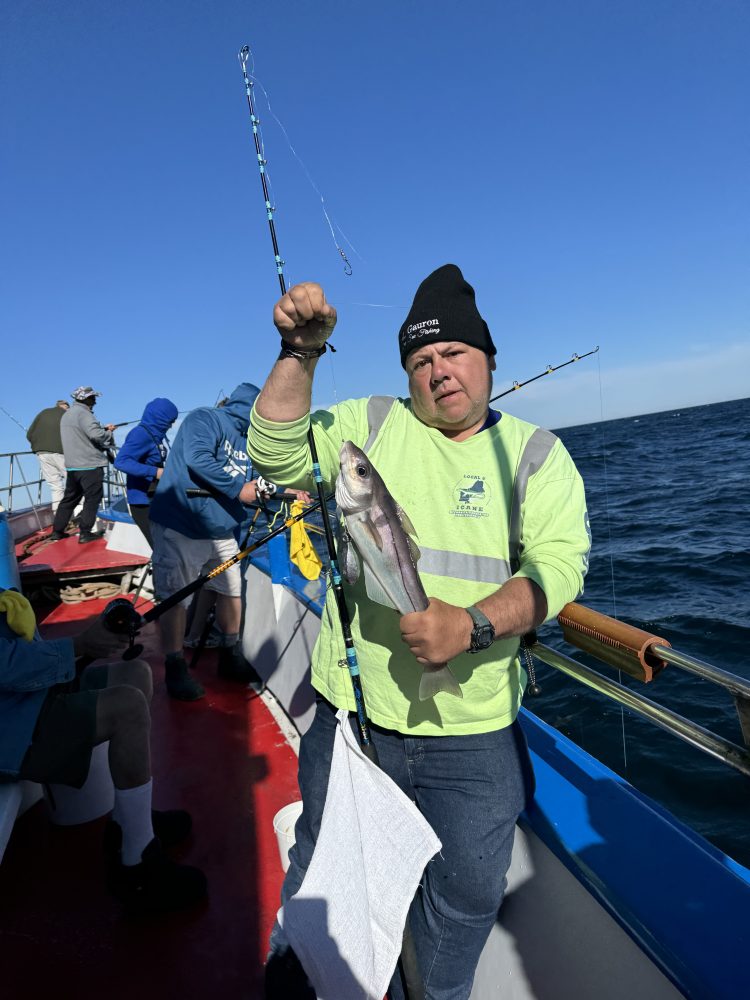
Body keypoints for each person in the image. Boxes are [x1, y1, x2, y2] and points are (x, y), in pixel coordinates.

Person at [248, 265, 591, 999]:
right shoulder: (367, 425)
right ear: (405, 372)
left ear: (489, 359)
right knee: (323, 867)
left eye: (455, 354)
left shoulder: (536, 455)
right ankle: (301, 977)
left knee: (467, 893)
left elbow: (559, 570)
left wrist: (468, 626)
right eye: (421, 360)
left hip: (475, 727)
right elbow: (276, 455)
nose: (439, 372)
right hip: (356, 715)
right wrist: (299, 354)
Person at [0, 586, 207, 912]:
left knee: (136, 672)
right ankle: (136, 867)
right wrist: (78, 645)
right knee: (127, 707)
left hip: (24, 697)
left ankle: (129, 824)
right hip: (11, 728)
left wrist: (88, 643)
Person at [148, 384, 278, 701]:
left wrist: (267, 488)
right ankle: (175, 666)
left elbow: (251, 479)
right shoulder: (206, 418)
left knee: (231, 590)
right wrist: (238, 489)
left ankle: (229, 654)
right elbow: (197, 458)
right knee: (176, 597)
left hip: (221, 529)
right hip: (183, 521)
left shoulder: (251, 441)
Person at [50, 387, 115, 545]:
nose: (95, 400)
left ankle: (57, 532)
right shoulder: (84, 414)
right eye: (93, 398)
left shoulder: (68, 415)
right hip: (89, 464)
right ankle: (85, 533)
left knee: (69, 499)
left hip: (73, 466)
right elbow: (96, 435)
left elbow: (82, 434)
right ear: (85, 399)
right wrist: (109, 432)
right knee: (93, 499)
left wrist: (101, 430)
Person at [113, 398, 179, 547]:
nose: (171, 425)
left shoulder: (158, 435)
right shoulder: (140, 434)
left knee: (172, 545)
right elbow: (121, 461)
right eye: (170, 420)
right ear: (161, 418)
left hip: (158, 498)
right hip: (143, 502)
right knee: (161, 549)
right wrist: (155, 472)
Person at [26, 399, 70, 513]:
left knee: (55, 486)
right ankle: (79, 511)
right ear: (65, 406)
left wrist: (36, 446)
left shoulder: (43, 412)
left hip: (42, 453)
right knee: (74, 481)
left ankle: (58, 514)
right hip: (61, 453)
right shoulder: (67, 414)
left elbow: (29, 434)